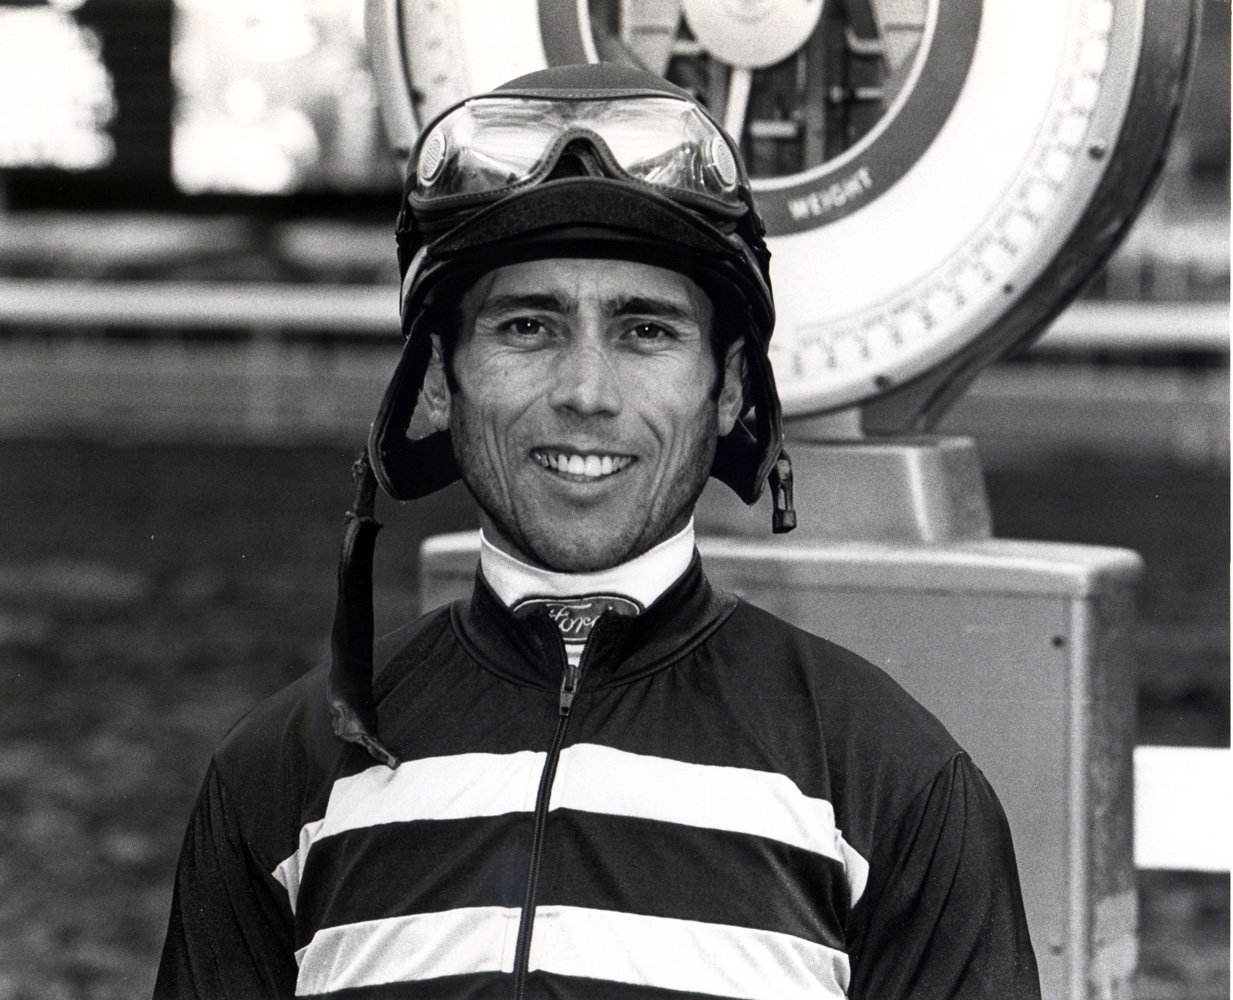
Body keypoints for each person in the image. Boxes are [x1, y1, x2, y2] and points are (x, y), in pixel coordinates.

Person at [155, 63, 1040, 1000]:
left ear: (729, 385)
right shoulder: (279, 771)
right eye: (528, 326)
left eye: (645, 331)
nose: (584, 392)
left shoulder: (892, 779)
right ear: (440, 382)